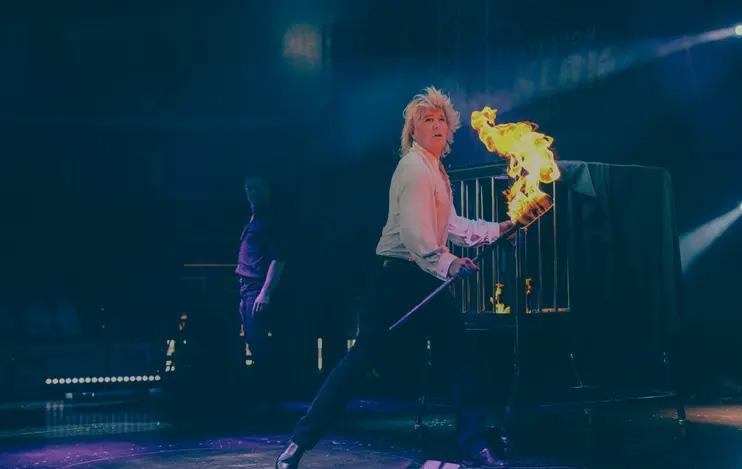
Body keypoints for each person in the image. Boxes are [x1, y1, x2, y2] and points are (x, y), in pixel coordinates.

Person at [276, 87, 513, 468]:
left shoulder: (436, 170)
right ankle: (298, 443)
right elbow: (417, 236)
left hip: (425, 274)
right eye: (427, 120)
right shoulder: (414, 168)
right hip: (398, 278)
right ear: (413, 131)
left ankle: (474, 443)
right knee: (359, 361)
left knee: (461, 357)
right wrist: (450, 263)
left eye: (440, 120)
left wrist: (495, 230)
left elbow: (450, 225)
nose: (436, 125)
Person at [237, 176, 287, 404]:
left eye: (257, 187)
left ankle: (268, 399)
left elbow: (279, 259)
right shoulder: (252, 221)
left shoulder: (269, 222)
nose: (252, 192)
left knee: (260, 346)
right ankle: (264, 398)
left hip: (256, 288)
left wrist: (264, 292)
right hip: (247, 289)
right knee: (254, 342)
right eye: (249, 188)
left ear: (267, 190)